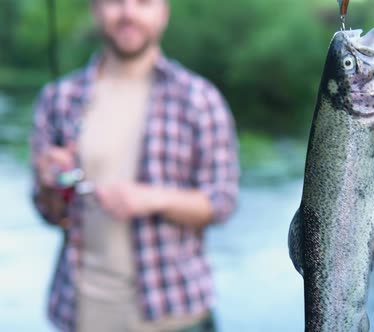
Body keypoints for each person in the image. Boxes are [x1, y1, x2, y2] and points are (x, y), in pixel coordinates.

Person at [29, 0, 240, 331]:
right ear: (95, 9)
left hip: (178, 314)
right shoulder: (57, 98)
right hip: (78, 314)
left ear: (164, 12)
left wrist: (153, 199)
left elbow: (222, 203)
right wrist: (47, 183)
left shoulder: (200, 99)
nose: (128, 12)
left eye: (143, 2)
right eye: (115, 1)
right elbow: (50, 213)